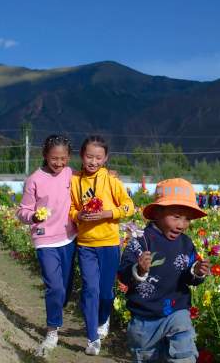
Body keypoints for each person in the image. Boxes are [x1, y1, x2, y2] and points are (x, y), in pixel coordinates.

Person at [118, 178, 210, 362]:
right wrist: (139, 270)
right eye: (176, 217)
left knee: (184, 354)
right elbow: (124, 274)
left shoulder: (186, 243)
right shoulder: (141, 242)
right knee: (147, 357)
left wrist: (197, 272)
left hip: (177, 311)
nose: (182, 225)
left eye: (187, 219)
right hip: (145, 318)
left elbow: (188, 276)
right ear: (157, 213)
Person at [69, 135, 135, 355]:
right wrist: (78, 214)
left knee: (106, 292)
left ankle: (103, 319)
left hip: (109, 244)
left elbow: (129, 207)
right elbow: (69, 208)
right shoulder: (74, 180)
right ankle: (92, 338)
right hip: (85, 244)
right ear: (81, 155)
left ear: (105, 158)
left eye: (98, 157)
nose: (93, 161)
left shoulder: (111, 180)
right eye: (89, 156)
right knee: (90, 289)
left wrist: (109, 213)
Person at [16, 135, 78, 356]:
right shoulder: (34, 179)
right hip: (45, 239)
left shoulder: (71, 174)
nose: (59, 163)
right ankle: (52, 330)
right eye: (54, 158)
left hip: (69, 238)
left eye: (63, 159)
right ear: (45, 156)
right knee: (55, 286)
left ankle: (56, 312)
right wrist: (33, 217)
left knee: (66, 288)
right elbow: (22, 211)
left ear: (69, 157)